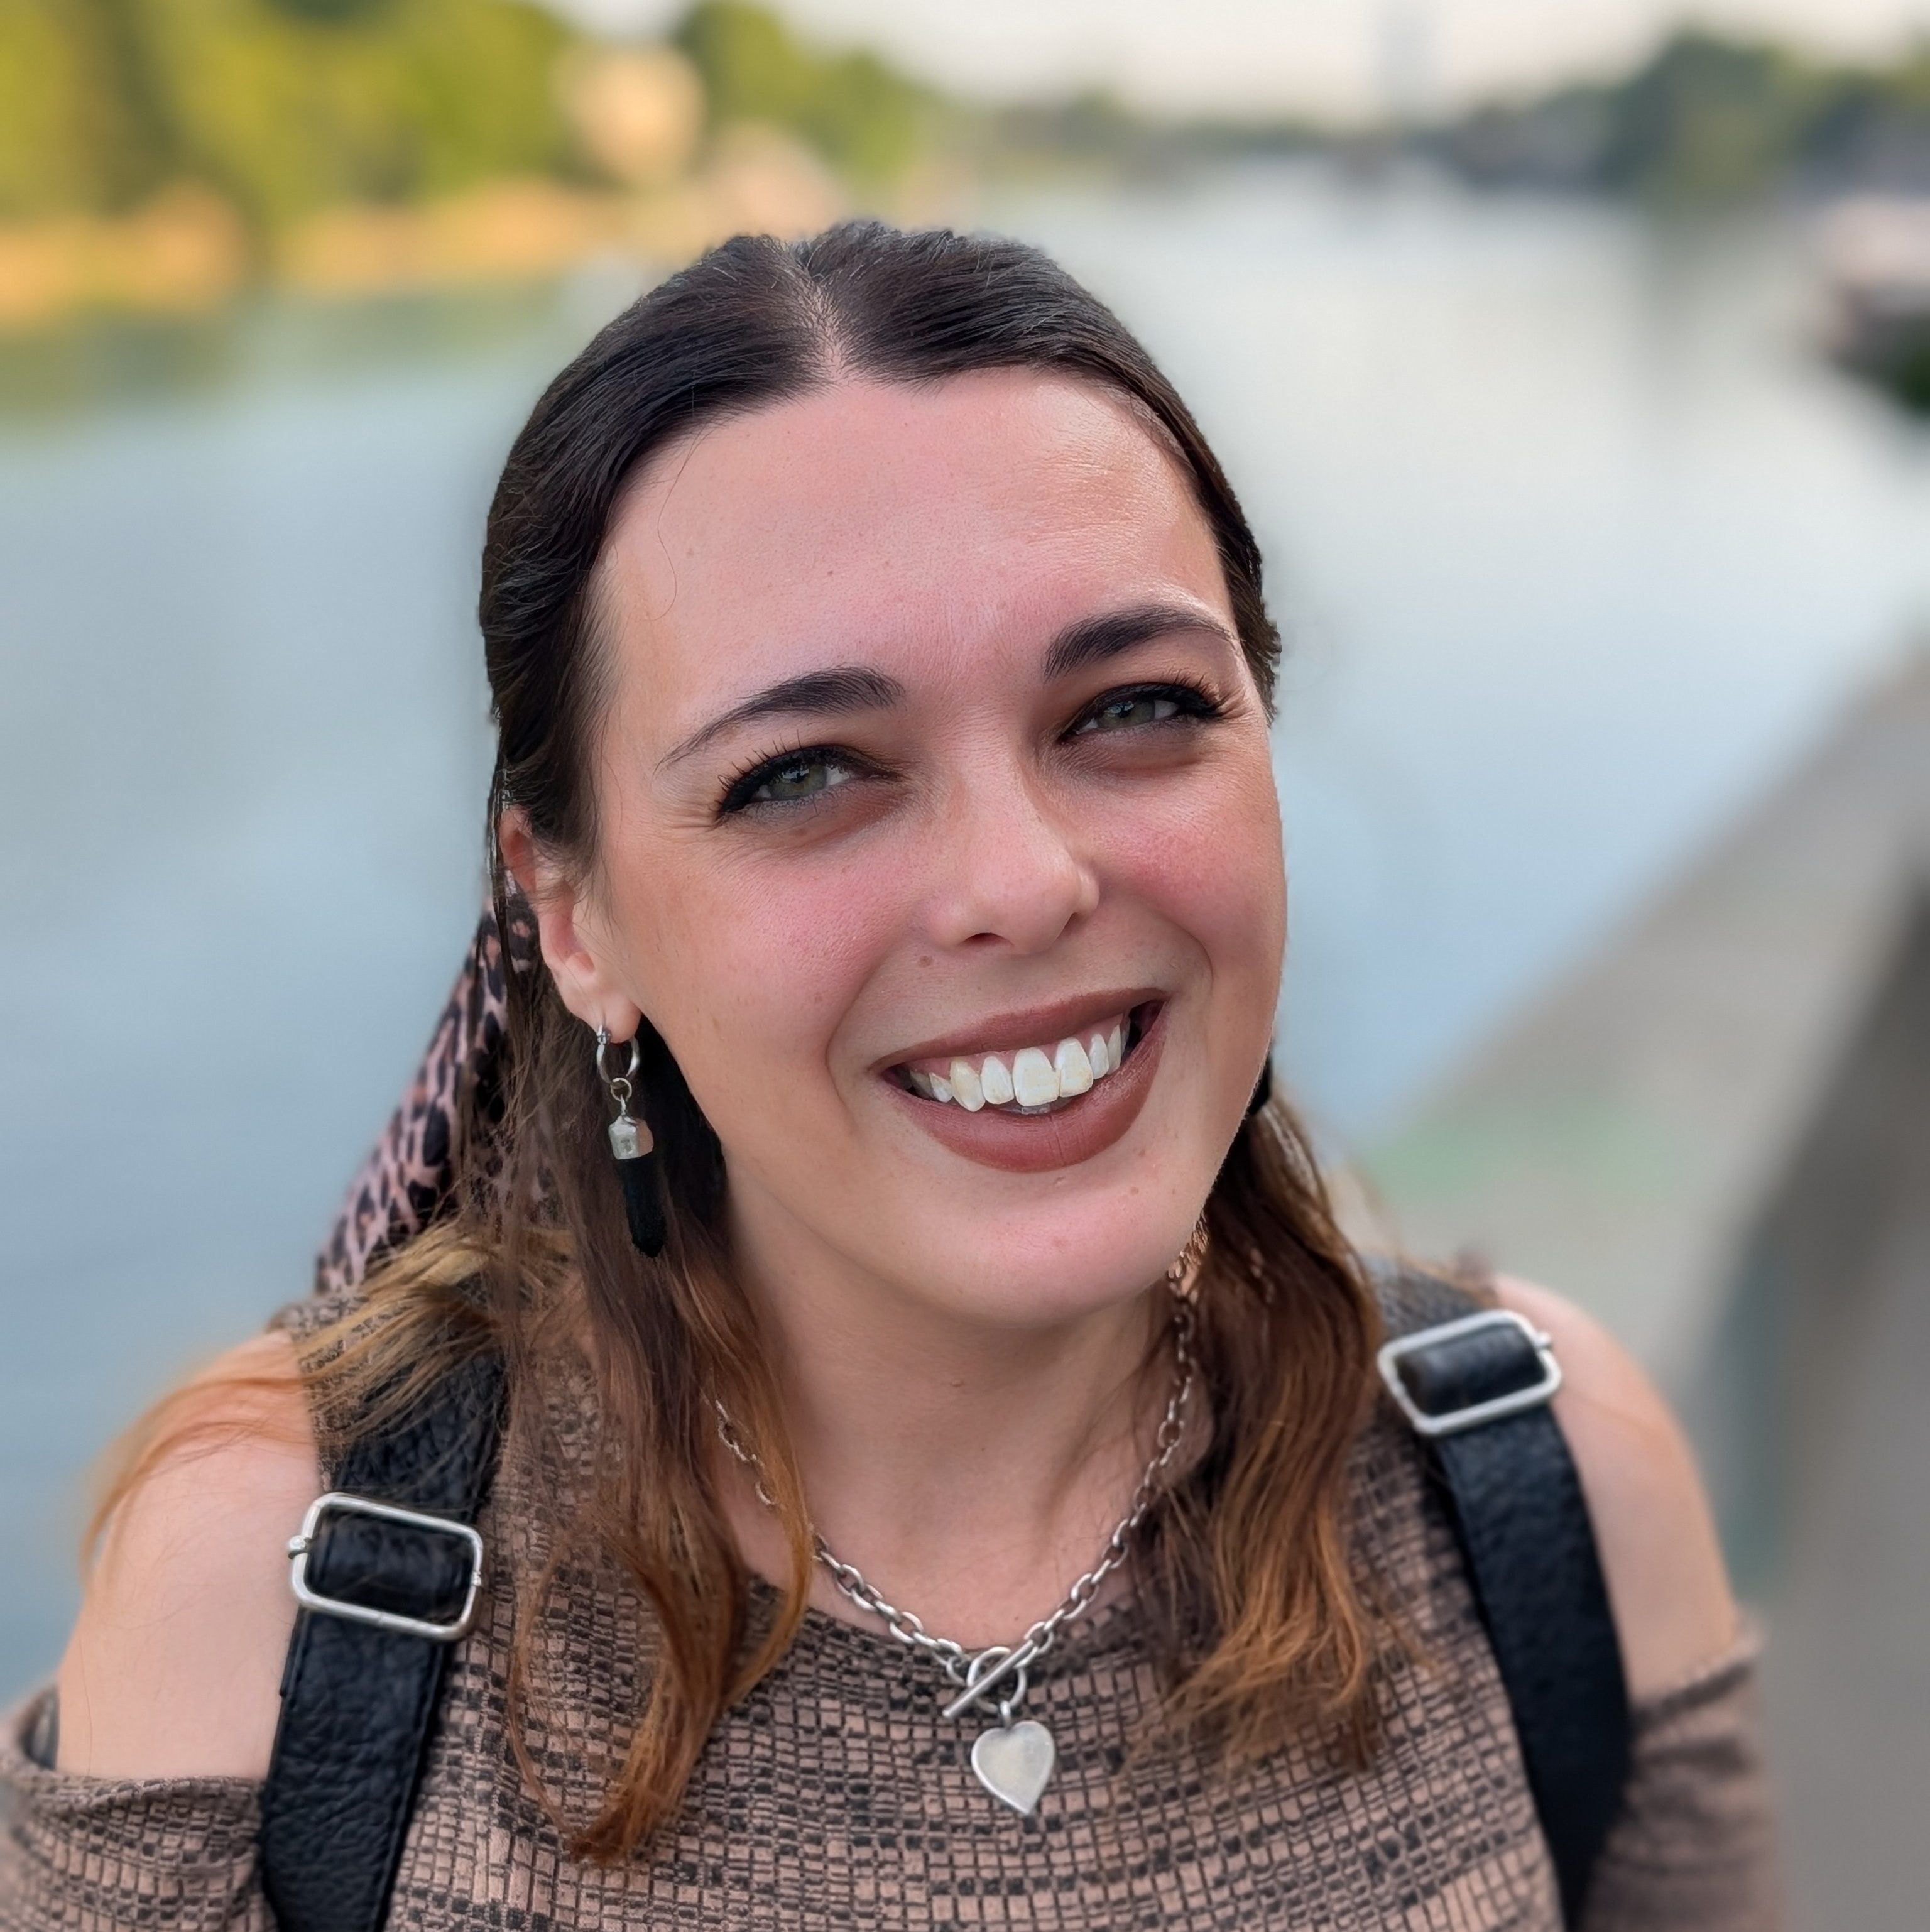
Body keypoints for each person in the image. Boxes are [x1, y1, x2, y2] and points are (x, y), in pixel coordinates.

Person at [1, 222, 1775, 1929]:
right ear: (575, 919)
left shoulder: (1542, 1495)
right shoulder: (282, 1577)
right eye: (803, 774)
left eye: (1135, 707)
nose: (1020, 883)